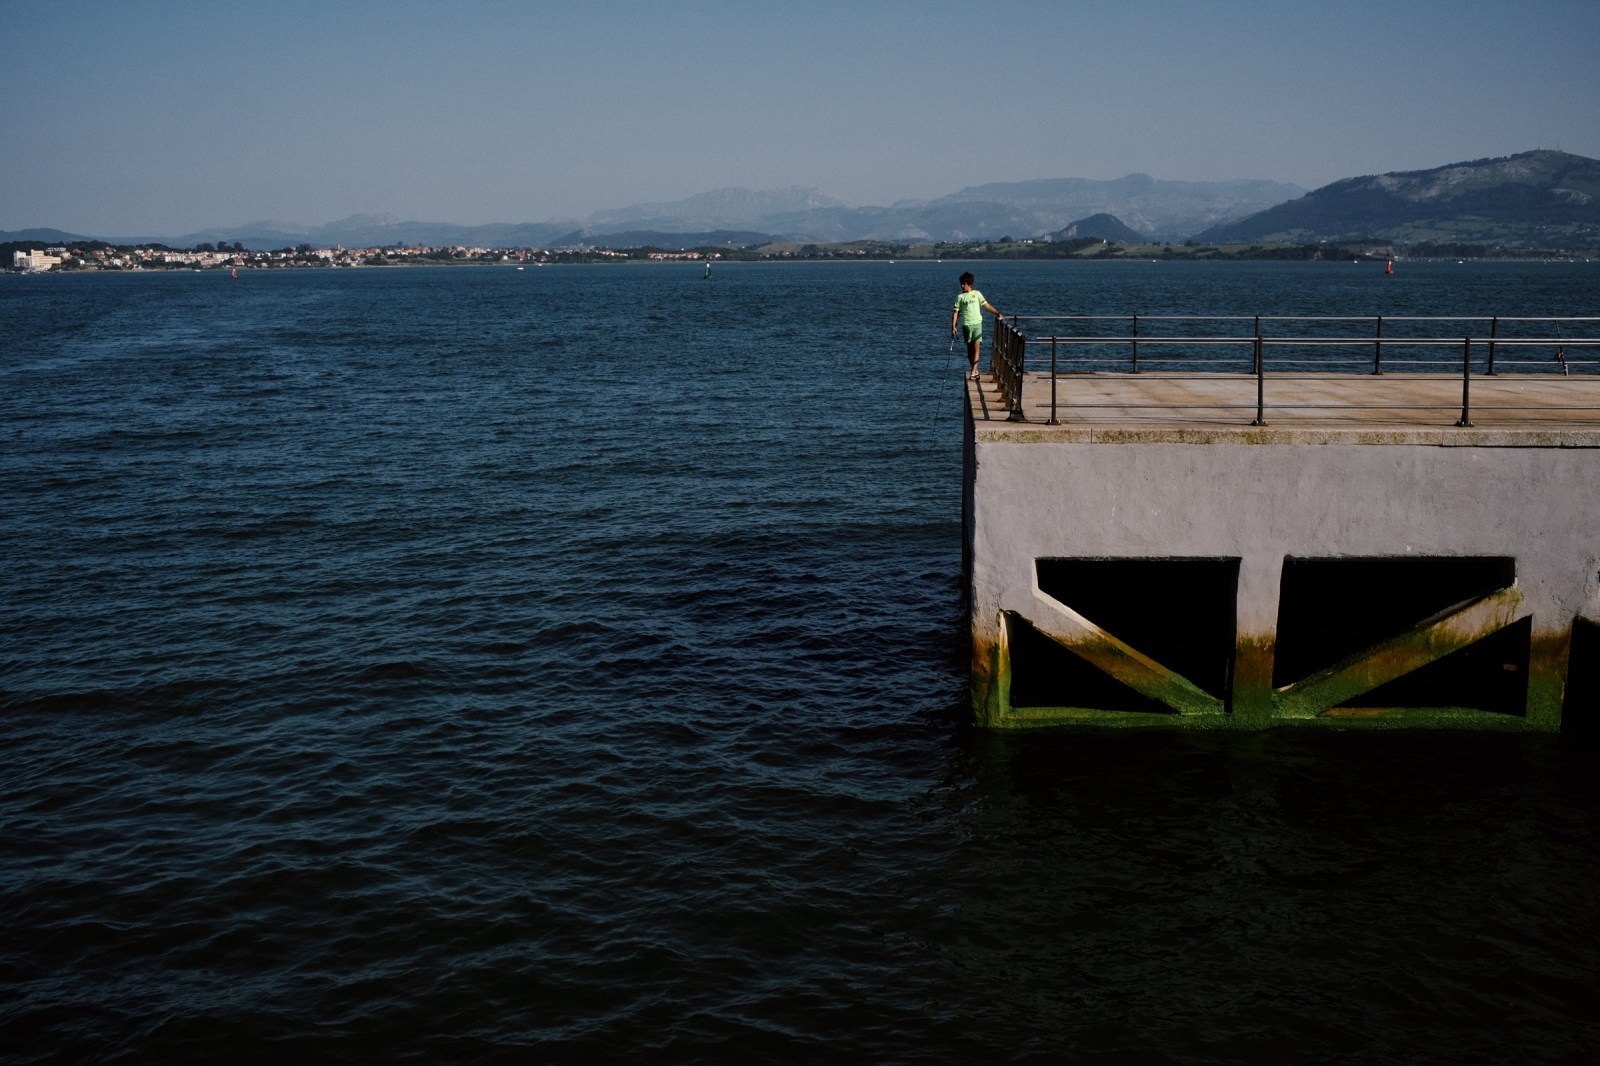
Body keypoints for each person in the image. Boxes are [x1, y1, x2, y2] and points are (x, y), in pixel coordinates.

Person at [950, 272, 1003, 380]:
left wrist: (997, 313)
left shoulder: (977, 294)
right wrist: (953, 327)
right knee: (970, 350)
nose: (961, 286)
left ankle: (974, 371)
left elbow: (986, 305)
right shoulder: (960, 297)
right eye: (961, 284)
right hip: (966, 325)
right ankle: (975, 370)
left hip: (977, 324)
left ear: (969, 284)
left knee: (977, 348)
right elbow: (956, 312)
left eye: (963, 284)